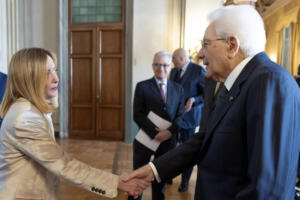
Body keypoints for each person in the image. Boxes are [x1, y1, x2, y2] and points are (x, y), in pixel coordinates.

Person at [123, 5, 300, 200]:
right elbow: (206, 139)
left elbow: (268, 190)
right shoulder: (239, 83)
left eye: (206, 44)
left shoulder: (269, 82)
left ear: (232, 46)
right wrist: (152, 170)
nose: (199, 54)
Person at [0, 48, 148, 199]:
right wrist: (116, 182)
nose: (56, 78)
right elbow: (64, 165)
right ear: (28, 79)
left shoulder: (32, 109)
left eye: (54, 70)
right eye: (47, 73)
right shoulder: (25, 118)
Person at [128, 51, 185, 200]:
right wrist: (155, 134)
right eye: (158, 65)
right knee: (138, 177)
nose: (161, 68)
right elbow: (137, 114)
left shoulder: (178, 89)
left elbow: (180, 116)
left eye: (165, 65)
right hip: (145, 139)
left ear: (170, 66)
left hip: (167, 143)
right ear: (153, 66)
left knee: (160, 178)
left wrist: (169, 133)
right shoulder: (142, 86)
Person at [170, 48, 205, 192]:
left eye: (174, 59)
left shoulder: (199, 71)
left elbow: (206, 95)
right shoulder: (173, 72)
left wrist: (194, 99)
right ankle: (168, 175)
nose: (172, 62)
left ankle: (185, 182)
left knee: (188, 152)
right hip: (174, 118)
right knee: (170, 149)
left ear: (183, 59)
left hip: (189, 120)